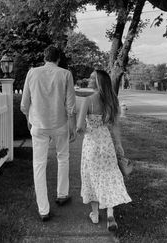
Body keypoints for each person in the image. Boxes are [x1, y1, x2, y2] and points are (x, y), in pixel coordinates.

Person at [20, 45, 76, 221]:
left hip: (39, 125)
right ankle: (62, 194)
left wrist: (29, 121)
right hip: (60, 124)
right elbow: (71, 105)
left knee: (38, 165)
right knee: (63, 157)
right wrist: (72, 127)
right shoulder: (65, 74)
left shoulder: (32, 72)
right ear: (58, 59)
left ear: (44, 57)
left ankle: (43, 210)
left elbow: (24, 103)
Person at [76, 70, 131, 231]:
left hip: (91, 144)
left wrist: (83, 128)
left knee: (92, 176)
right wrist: (119, 145)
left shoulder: (88, 101)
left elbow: (80, 127)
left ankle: (94, 214)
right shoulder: (112, 100)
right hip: (106, 143)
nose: (90, 79)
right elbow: (115, 126)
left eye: (93, 78)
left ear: (99, 81)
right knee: (108, 175)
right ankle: (110, 213)